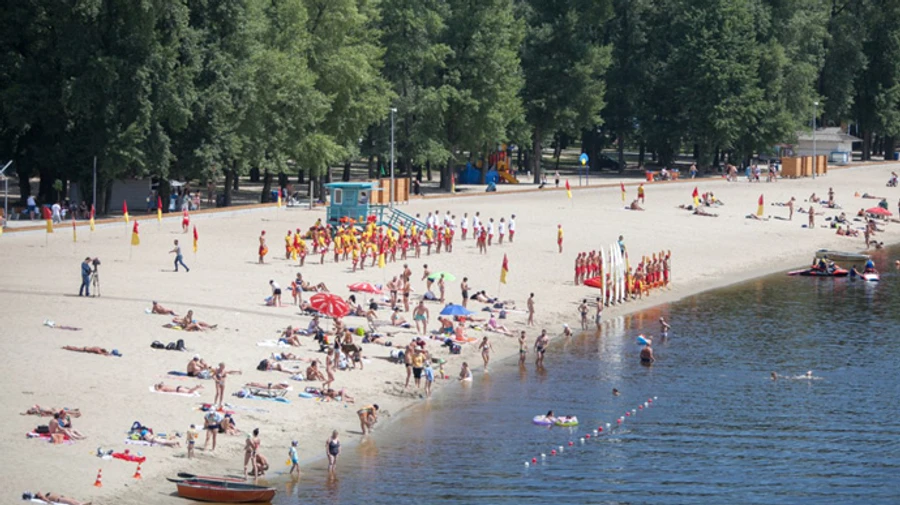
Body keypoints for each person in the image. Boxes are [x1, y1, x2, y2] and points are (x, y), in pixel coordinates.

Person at [24, 492, 90, 505]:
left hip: (58, 498)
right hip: (58, 499)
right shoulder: (43, 498)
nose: (39, 493)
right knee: (70, 501)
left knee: (71, 500)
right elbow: (47, 501)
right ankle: (80, 504)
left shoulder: (42, 496)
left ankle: (80, 503)